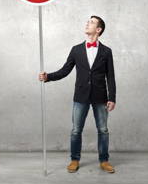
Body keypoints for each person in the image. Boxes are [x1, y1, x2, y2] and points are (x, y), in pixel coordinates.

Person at [38, 15, 116, 173]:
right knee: (76, 130)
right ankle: (74, 159)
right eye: (88, 21)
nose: (87, 23)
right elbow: (65, 70)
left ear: (98, 30)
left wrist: (112, 98)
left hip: (100, 97)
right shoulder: (76, 50)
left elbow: (111, 77)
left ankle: (104, 160)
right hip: (80, 96)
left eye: (92, 22)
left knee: (103, 130)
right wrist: (48, 77)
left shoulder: (107, 52)